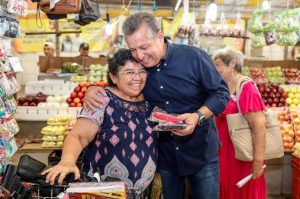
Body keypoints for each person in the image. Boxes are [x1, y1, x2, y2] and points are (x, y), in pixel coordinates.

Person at [83, 12, 230, 199]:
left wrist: (197, 116)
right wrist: (94, 88)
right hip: (165, 156)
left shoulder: (194, 57)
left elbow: (221, 93)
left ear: (160, 37)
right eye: (133, 49)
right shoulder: (140, 67)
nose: (140, 56)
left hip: (201, 152)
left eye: (144, 47)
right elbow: (124, 84)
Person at [42, 49, 157, 196]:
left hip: (142, 192)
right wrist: (67, 162)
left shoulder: (151, 101)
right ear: (114, 77)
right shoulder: (101, 100)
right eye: (129, 72)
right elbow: (78, 136)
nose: (137, 78)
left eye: (142, 71)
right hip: (103, 192)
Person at [212, 47, 266, 199]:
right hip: (224, 153)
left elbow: (259, 126)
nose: (215, 69)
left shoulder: (247, 87)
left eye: (218, 64)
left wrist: (258, 160)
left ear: (232, 63)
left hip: (243, 156)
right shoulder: (222, 87)